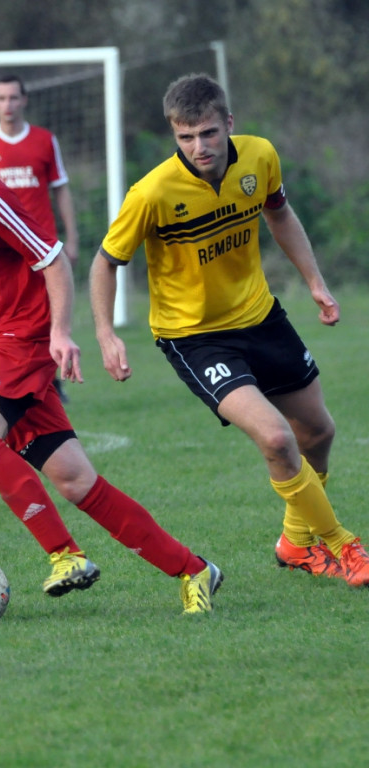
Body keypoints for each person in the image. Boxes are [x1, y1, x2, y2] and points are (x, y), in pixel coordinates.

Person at [0, 75, 222, 614]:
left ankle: (64, 555)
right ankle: (194, 570)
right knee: (77, 481)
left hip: (20, 336)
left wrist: (58, 333)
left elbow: (52, 259)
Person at [90, 72, 369, 588]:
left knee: (319, 432)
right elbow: (105, 262)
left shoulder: (260, 156)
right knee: (276, 438)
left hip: (260, 316)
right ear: (174, 135)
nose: (199, 146)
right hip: (194, 337)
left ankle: (295, 544)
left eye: (209, 133)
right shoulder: (150, 193)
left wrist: (316, 283)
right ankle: (343, 545)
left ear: (229, 125)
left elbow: (280, 215)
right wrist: (106, 333)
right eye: (186, 137)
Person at [0, 74, 79, 404]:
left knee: (47, 313)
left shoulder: (44, 140)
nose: (8, 105)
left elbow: (61, 190)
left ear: (24, 100)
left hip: (40, 246)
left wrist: (70, 239)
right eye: (1, 98)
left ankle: (50, 381)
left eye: (13, 98)